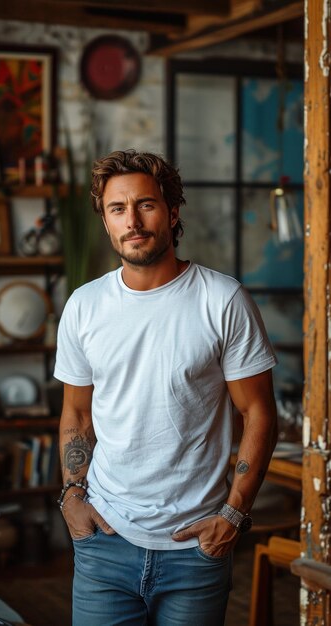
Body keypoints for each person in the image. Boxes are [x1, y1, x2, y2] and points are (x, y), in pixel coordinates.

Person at [54, 149, 278, 626]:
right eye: (117, 209)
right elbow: (76, 414)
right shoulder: (84, 306)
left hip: (195, 547)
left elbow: (258, 413)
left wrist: (234, 515)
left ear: (172, 212)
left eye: (146, 205)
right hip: (105, 544)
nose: (132, 221)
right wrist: (72, 496)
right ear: (106, 222)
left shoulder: (222, 300)